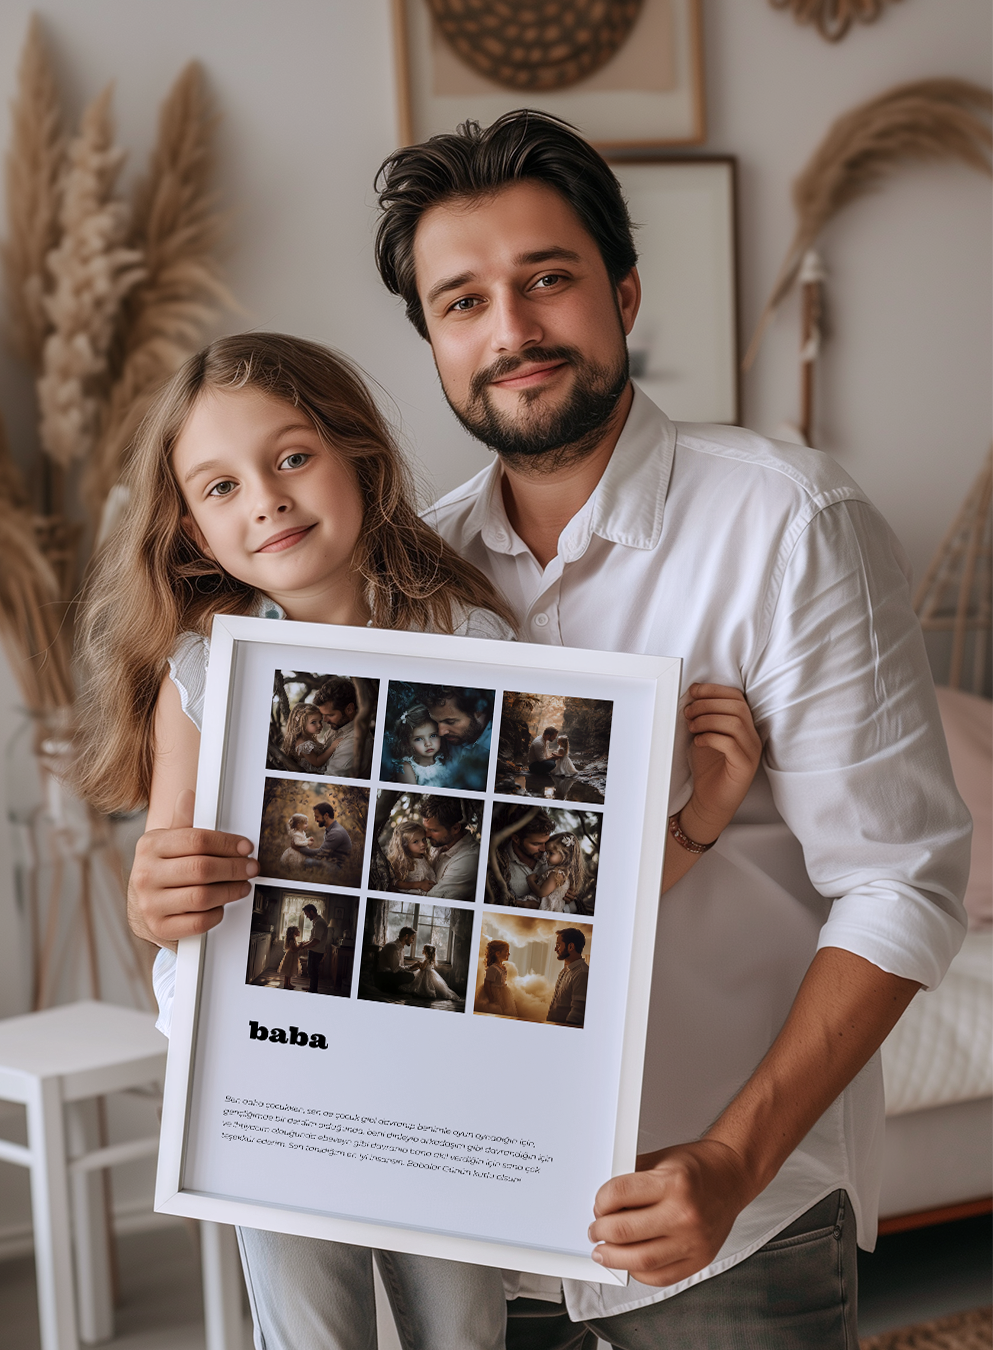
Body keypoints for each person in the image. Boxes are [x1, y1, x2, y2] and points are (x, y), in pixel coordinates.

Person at [374, 111, 970, 1346]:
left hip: (730, 1234)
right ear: (432, 343)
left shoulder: (789, 524)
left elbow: (901, 886)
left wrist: (733, 1164)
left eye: (548, 279)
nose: (514, 332)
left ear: (625, 292)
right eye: (464, 302)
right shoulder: (410, 580)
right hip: (478, 1233)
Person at [71, 332, 520, 1350]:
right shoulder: (200, 674)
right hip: (264, 1074)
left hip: (431, 1062)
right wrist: (156, 899)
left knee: (464, 1327)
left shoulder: (469, 643)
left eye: (290, 458)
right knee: (311, 1333)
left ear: (358, 455)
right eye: (220, 487)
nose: (264, 499)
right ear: (190, 531)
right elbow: (162, 888)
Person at [422, 685, 493, 789]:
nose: (441, 733)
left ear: (478, 711)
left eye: (450, 722)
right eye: (435, 722)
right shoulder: (447, 742)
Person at [419, 794, 481, 901]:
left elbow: (431, 901)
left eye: (433, 830)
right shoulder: (438, 844)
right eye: (426, 828)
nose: (426, 835)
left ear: (455, 828)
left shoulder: (470, 860)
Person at [491, 806, 555, 907]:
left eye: (546, 842)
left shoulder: (555, 857)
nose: (544, 849)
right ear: (516, 839)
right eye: (536, 844)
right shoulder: (499, 865)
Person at [313, 676, 373, 779]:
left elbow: (328, 784)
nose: (325, 720)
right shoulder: (335, 729)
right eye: (323, 715)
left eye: (330, 715)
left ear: (349, 709)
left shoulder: (353, 742)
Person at [526, 832, 585, 913]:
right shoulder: (565, 873)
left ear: (565, 855)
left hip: (545, 906)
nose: (546, 856)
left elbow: (541, 892)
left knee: (524, 904)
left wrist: (530, 881)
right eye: (547, 852)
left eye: (551, 853)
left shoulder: (556, 874)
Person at [393, 704, 449, 786]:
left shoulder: (445, 760)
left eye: (433, 735)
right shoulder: (406, 767)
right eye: (418, 739)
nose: (428, 743)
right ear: (408, 743)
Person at [546, 929, 589, 1026]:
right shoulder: (565, 971)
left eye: (558, 945)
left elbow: (577, 1012)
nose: (556, 949)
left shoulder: (582, 973)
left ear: (571, 947)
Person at [280, 702, 339, 771]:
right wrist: (332, 747)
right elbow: (317, 762)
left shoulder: (306, 739)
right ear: (301, 724)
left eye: (320, 721)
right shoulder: (303, 744)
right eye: (313, 722)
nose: (319, 725)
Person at [294, 801, 352, 870]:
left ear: (326, 816)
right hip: (331, 863)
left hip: (339, 868)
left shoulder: (336, 832)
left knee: (307, 862)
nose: (315, 820)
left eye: (317, 817)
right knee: (306, 859)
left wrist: (299, 849)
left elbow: (320, 853)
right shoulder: (331, 829)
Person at [385, 818, 437, 893]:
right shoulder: (404, 861)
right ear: (404, 845)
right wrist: (419, 884)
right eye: (415, 841)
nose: (422, 844)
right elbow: (396, 883)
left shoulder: (422, 856)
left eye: (423, 839)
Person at [476, 939, 518, 1017]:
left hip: (503, 992)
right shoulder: (493, 968)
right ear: (498, 953)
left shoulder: (502, 967)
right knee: (495, 1010)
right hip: (494, 993)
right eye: (506, 951)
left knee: (505, 1011)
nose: (508, 953)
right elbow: (487, 983)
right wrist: (491, 998)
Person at [298, 902, 330, 994]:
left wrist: (304, 946)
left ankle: (313, 990)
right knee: (311, 971)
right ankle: (311, 987)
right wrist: (305, 943)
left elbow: (316, 941)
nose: (307, 916)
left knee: (313, 972)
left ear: (312, 912)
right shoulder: (317, 921)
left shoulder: (319, 923)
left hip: (316, 952)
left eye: (307, 914)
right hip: (314, 951)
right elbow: (313, 939)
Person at [375, 926, 418, 993]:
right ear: (406, 936)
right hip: (384, 976)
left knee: (413, 974)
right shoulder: (393, 947)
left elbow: (400, 967)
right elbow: (395, 969)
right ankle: (390, 989)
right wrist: (411, 967)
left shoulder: (401, 948)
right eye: (412, 938)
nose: (413, 941)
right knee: (411, 976)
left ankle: (395, 989)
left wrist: (413, 967)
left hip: (391, 973)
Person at [277, 925, 302, 990]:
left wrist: (299, 946)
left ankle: (288, 983)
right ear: (293, 932)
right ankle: (286, 984)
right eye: (297, 931)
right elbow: (293, 949)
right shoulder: (291, 940)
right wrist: (299, 947)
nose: (299, 932)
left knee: (290, 971)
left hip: (293, 957)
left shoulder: (293, 939)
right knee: (288, 971)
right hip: (290, 957)